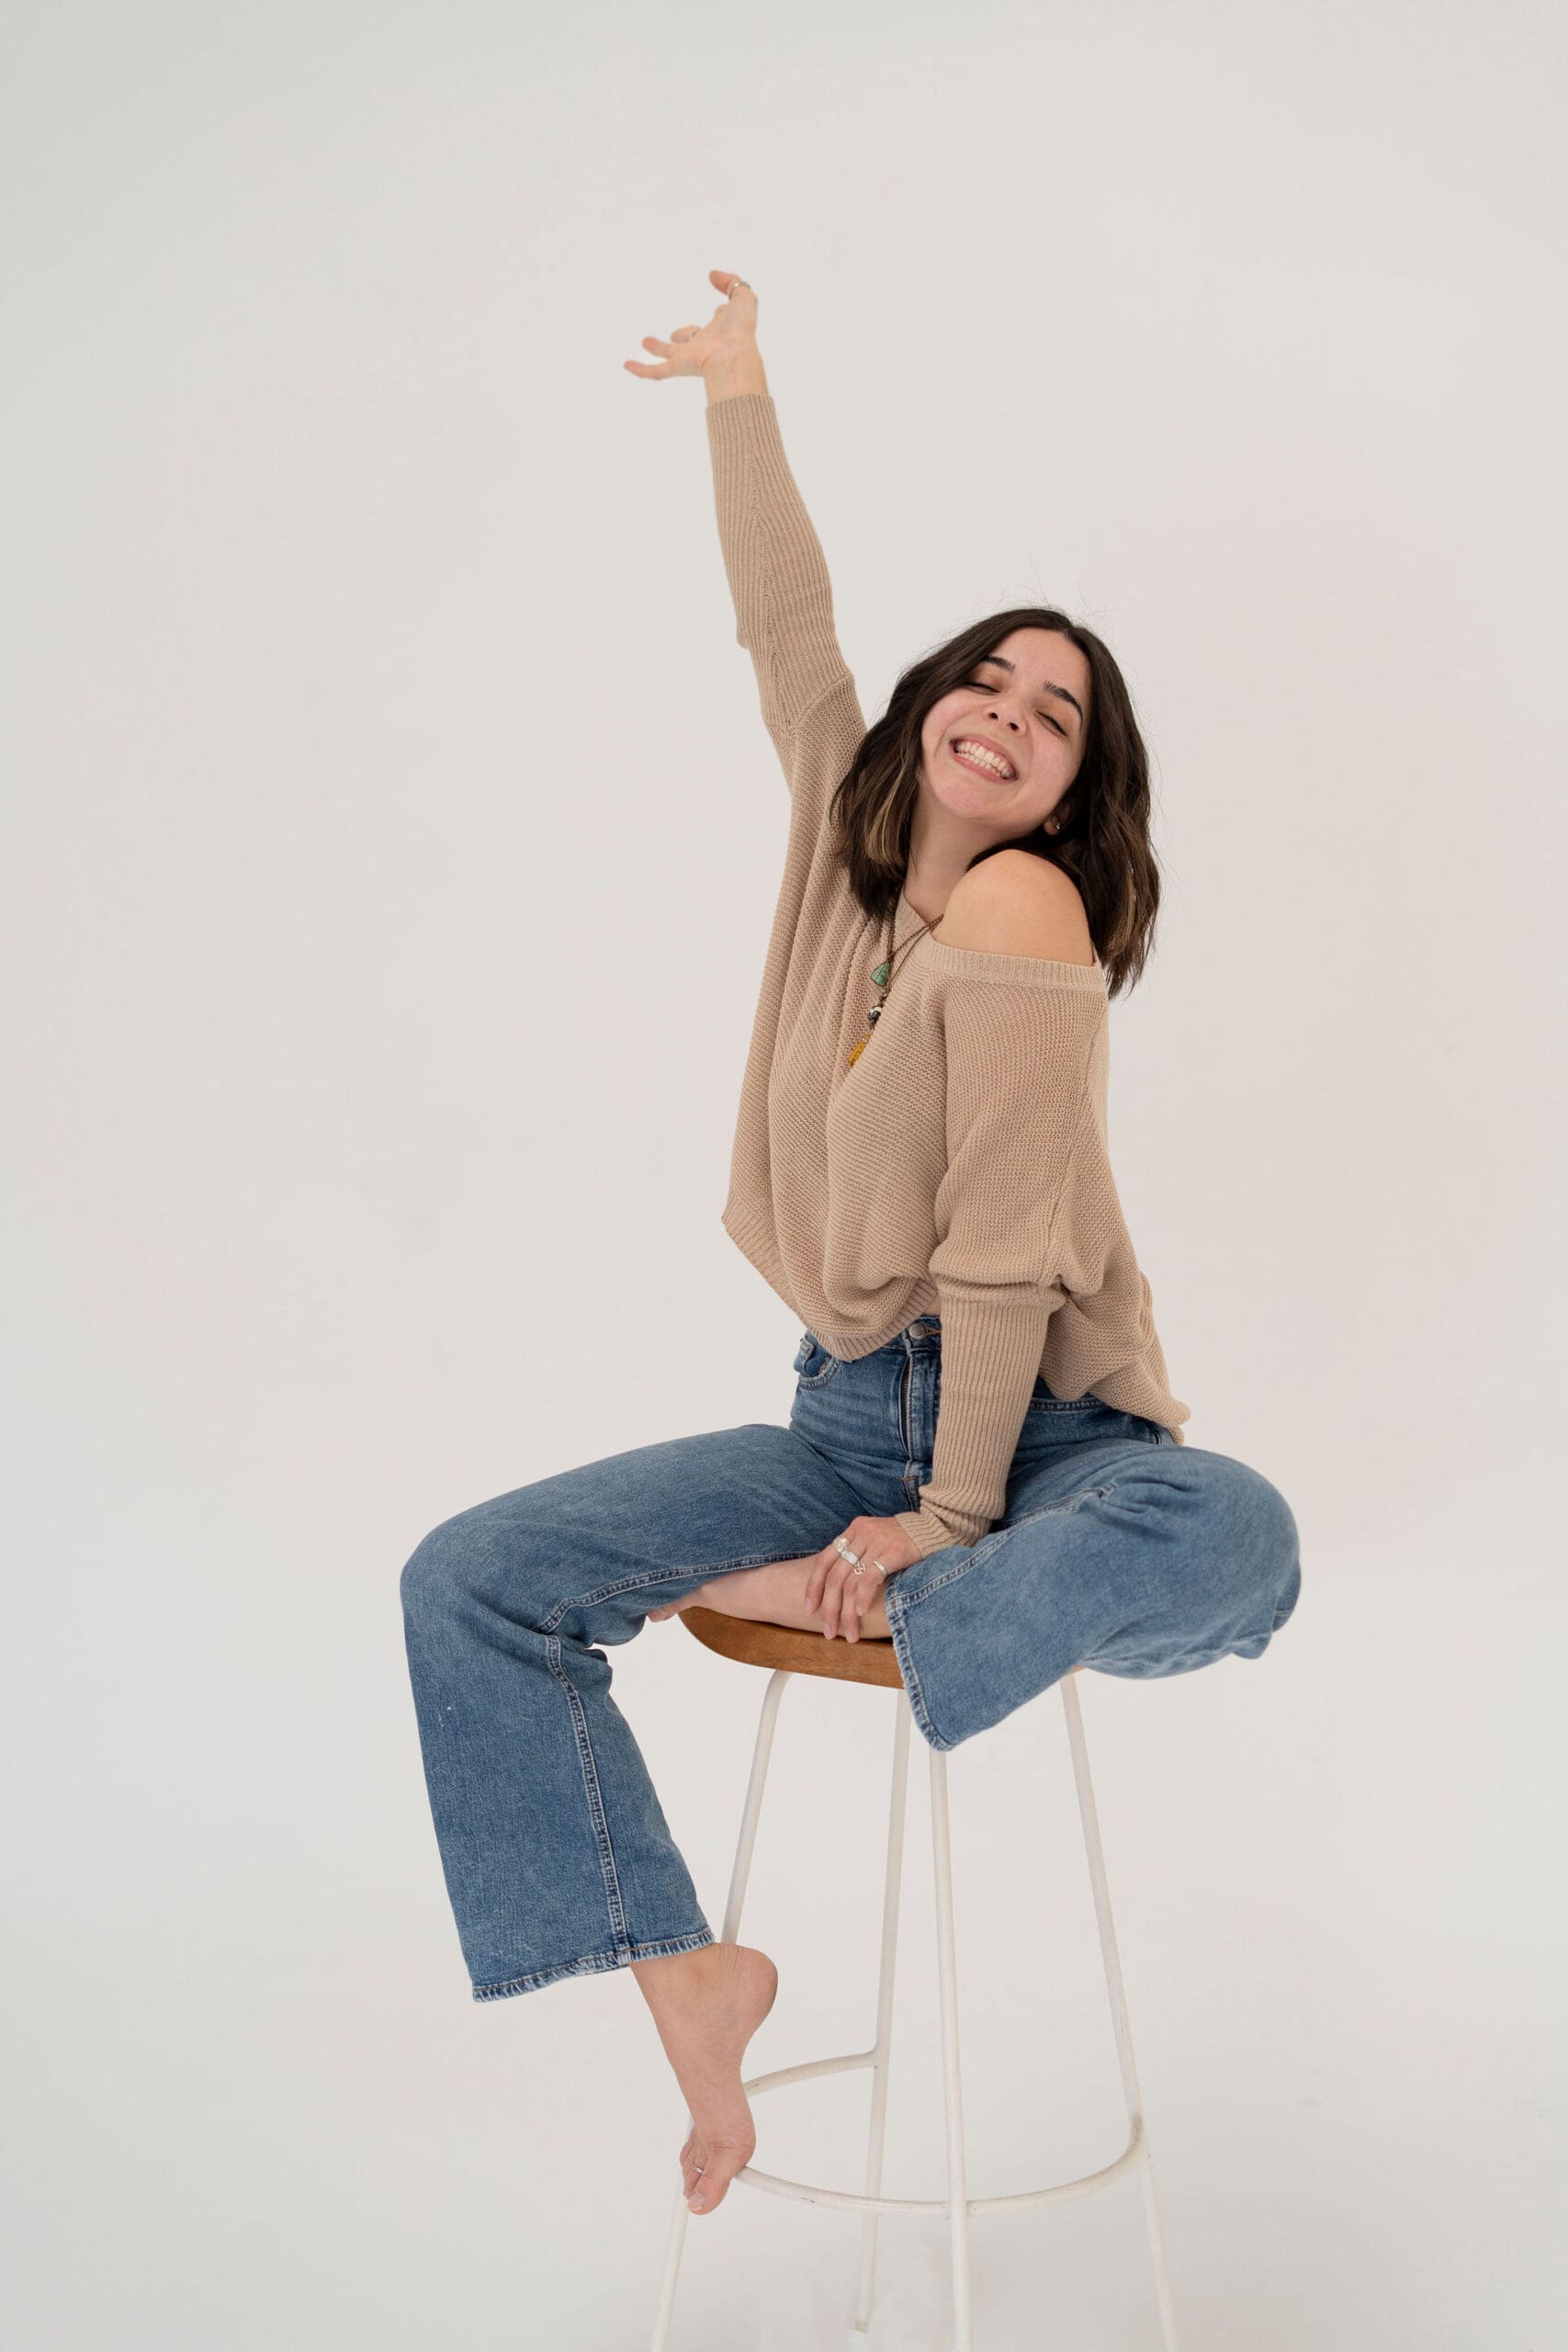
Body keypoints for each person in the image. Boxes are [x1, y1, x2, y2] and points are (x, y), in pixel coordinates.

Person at [400, 267, 1303, 2223]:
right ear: (928, 710)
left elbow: (1001, 1262)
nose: (1009, 710)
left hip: (1046, 1449)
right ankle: (681, 1967)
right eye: (989, 674)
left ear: (1073, 794)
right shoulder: (842, 831)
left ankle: (842, 1588)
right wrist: (739, 389)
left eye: (1055, 716)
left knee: (1233, 1532)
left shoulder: (1030, 925)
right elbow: (784, 621)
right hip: (832, 1428)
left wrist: (958, 1517)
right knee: (465, 1577)